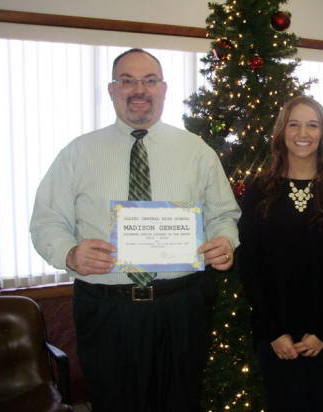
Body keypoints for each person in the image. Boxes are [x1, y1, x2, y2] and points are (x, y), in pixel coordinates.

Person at [30, 48, 240, 412]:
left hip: (181, 308)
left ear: (163, 89)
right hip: (106, 310)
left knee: (180, 403)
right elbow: (46, 221)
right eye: (127, 80)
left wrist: (225, 241)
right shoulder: (78, 153)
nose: (139, 89)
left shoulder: (197, 152)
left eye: (149, 80)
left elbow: (223, 214)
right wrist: (69, 253)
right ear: (112, 89)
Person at [237, 95, 323, 411]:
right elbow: (249, 265)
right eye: (294, 124)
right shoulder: (258, 189)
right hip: (273, 333)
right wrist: (273, 332)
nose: (302, 133)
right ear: (282, 132)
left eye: (312, 125)